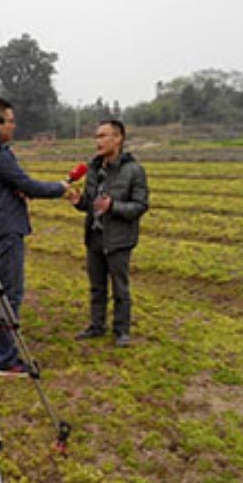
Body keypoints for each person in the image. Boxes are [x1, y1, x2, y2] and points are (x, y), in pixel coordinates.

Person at [0, 97, 69, 376]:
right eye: (10, 120)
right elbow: (28, 185)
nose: (14, 125)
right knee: (8, 295)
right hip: (4, 231)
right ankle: (5, 359)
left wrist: (13, 190)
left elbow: (10, 185)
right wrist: (60, 188)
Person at [69, 119, 148, 348]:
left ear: (118, 138)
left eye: (103, 136)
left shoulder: (134, 171)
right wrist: (79, 201)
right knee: (96, 286)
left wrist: (113, 206)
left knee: (120, 288)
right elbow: (91, 203)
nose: (98, 141)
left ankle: (121, 330)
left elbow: (140, 206)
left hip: (119, 239)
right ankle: (96, 326)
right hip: (94, 237)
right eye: (97, 136)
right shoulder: (93, 169)